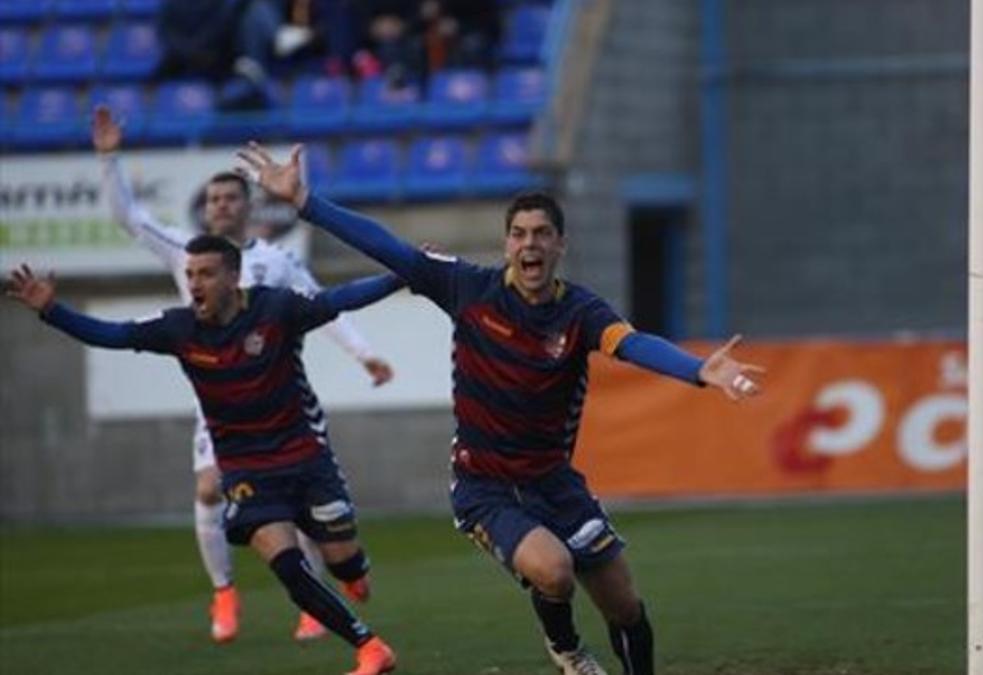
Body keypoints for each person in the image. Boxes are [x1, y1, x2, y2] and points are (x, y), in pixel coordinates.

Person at [239, 142, 764, 675]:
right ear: (507, 243)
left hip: (555, 483)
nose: (529, 244)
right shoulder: (467, 287)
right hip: (484, 488)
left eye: (541, 234)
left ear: (560, 244)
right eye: (519, 234)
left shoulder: (580, 311)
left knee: (623, 603)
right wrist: (305, 200)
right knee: (554, 571)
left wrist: (698, 370)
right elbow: (386, 248)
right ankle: (568, 652)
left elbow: (632, 344)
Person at [6, 236, 399, 675]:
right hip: (246, 468)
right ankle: (369, 648)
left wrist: (401, 274)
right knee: (288, 566)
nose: (195, 283)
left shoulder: (275, 309)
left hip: (306, 458)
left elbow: (339, 299)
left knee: (343, 559)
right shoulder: (178, 328)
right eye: (190, 274)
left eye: (206, 273)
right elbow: (113, 335)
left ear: (233, 277)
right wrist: (51, 310)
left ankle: (351, 571)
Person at [92, 106, 396, 644]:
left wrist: (364, 354)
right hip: (219, 404)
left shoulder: (275, 261)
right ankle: (224, 593)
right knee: (209, 489)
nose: (220, 205)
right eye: (211, 199)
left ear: (248, 205)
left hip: (276, 401)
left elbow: (321, 305)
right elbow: (128, 218)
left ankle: (320, 597)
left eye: (230, 197)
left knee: (302, 507)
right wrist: (110, 157)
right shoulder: (186, 254)